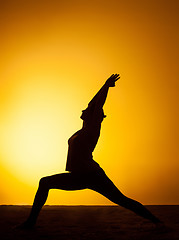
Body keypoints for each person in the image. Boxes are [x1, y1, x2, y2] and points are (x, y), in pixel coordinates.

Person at [20, 74, 161, 228]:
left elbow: (97, 105)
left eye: (88, 110)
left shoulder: (93, 129)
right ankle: (30, 223)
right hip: (78, 176)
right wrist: (102, 86)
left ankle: (157, 222)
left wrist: (107, 86)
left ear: (95, 116)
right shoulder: (83, 130)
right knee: (45, 182)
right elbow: (92, 103)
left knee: (122, 200)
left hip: (92, 175)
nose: (84, 108)